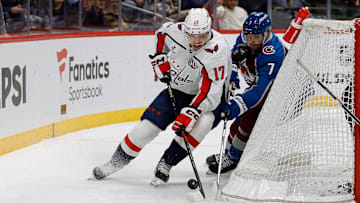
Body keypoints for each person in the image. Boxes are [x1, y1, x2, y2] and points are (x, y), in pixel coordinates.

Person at [92, 8, 232, 185]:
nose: (196, 41)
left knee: (200, 126)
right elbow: (161, 34)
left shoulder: (218, 51)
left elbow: (210, 91)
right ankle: (115, 162)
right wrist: (160, 56)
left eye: (202, 36)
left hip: (207, 100)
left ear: (209, 30)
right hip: (177, 90)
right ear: (185, 30)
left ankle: (167, 163)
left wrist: (193, 111)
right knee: (146, 128)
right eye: (192, 35)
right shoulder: (176, 31)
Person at [206, 11, 286, 174]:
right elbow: (233, 59)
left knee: (247, 121)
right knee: (237, 124)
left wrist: (235, 106)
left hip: (279, 93)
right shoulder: (245, 39)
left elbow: (259, 92)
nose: (252, 41)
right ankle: (227, 155)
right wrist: (232, 78)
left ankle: (233, 159)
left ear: (267, 33)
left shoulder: (273, 53)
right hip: (260, 87)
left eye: (256, 37)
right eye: (249, 36)